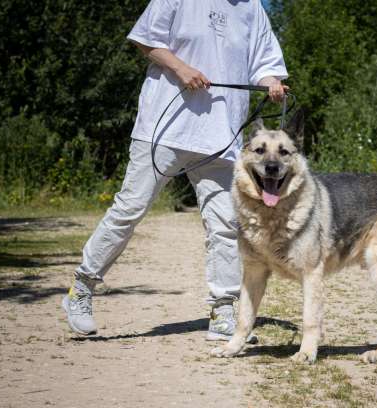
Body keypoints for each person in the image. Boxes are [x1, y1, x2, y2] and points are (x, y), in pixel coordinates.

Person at [62, 0, 288, 341]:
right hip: (164, 129)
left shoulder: (252, 7)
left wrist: (271, 83)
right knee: (130, 209)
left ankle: (222, 312)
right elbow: (145, 39)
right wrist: (181, 69)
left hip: (221, 135)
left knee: (224, 224)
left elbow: (263, 62)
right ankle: (81, 288)